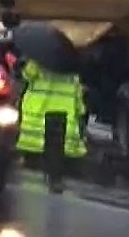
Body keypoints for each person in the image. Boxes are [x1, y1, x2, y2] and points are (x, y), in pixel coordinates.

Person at [16, 59, 87, 193]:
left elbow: (27, 74)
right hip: (65, 114)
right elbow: (77, 91)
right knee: (59, 147)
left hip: (38, 115)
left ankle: (46, 171)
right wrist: (80, 110)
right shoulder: (71, 66)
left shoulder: (40, 59)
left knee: (34, 162)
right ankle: (56, 176)